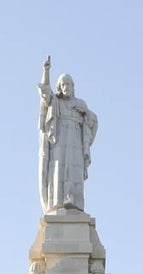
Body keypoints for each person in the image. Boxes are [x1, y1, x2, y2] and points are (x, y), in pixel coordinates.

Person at [37, 56, 98, 213]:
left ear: (73, 86)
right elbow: (44, 92)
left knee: (74, 171)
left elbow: (93, 121)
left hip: (76, 142)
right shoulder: (56, 102)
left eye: (68, 84)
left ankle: (75, 204)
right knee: (58, 170)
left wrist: (85, 112)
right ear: (59, 87)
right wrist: (46, 70)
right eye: (63, 84)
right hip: (59, 141)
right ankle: (58, 203)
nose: (66, 87)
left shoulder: (80, 104)